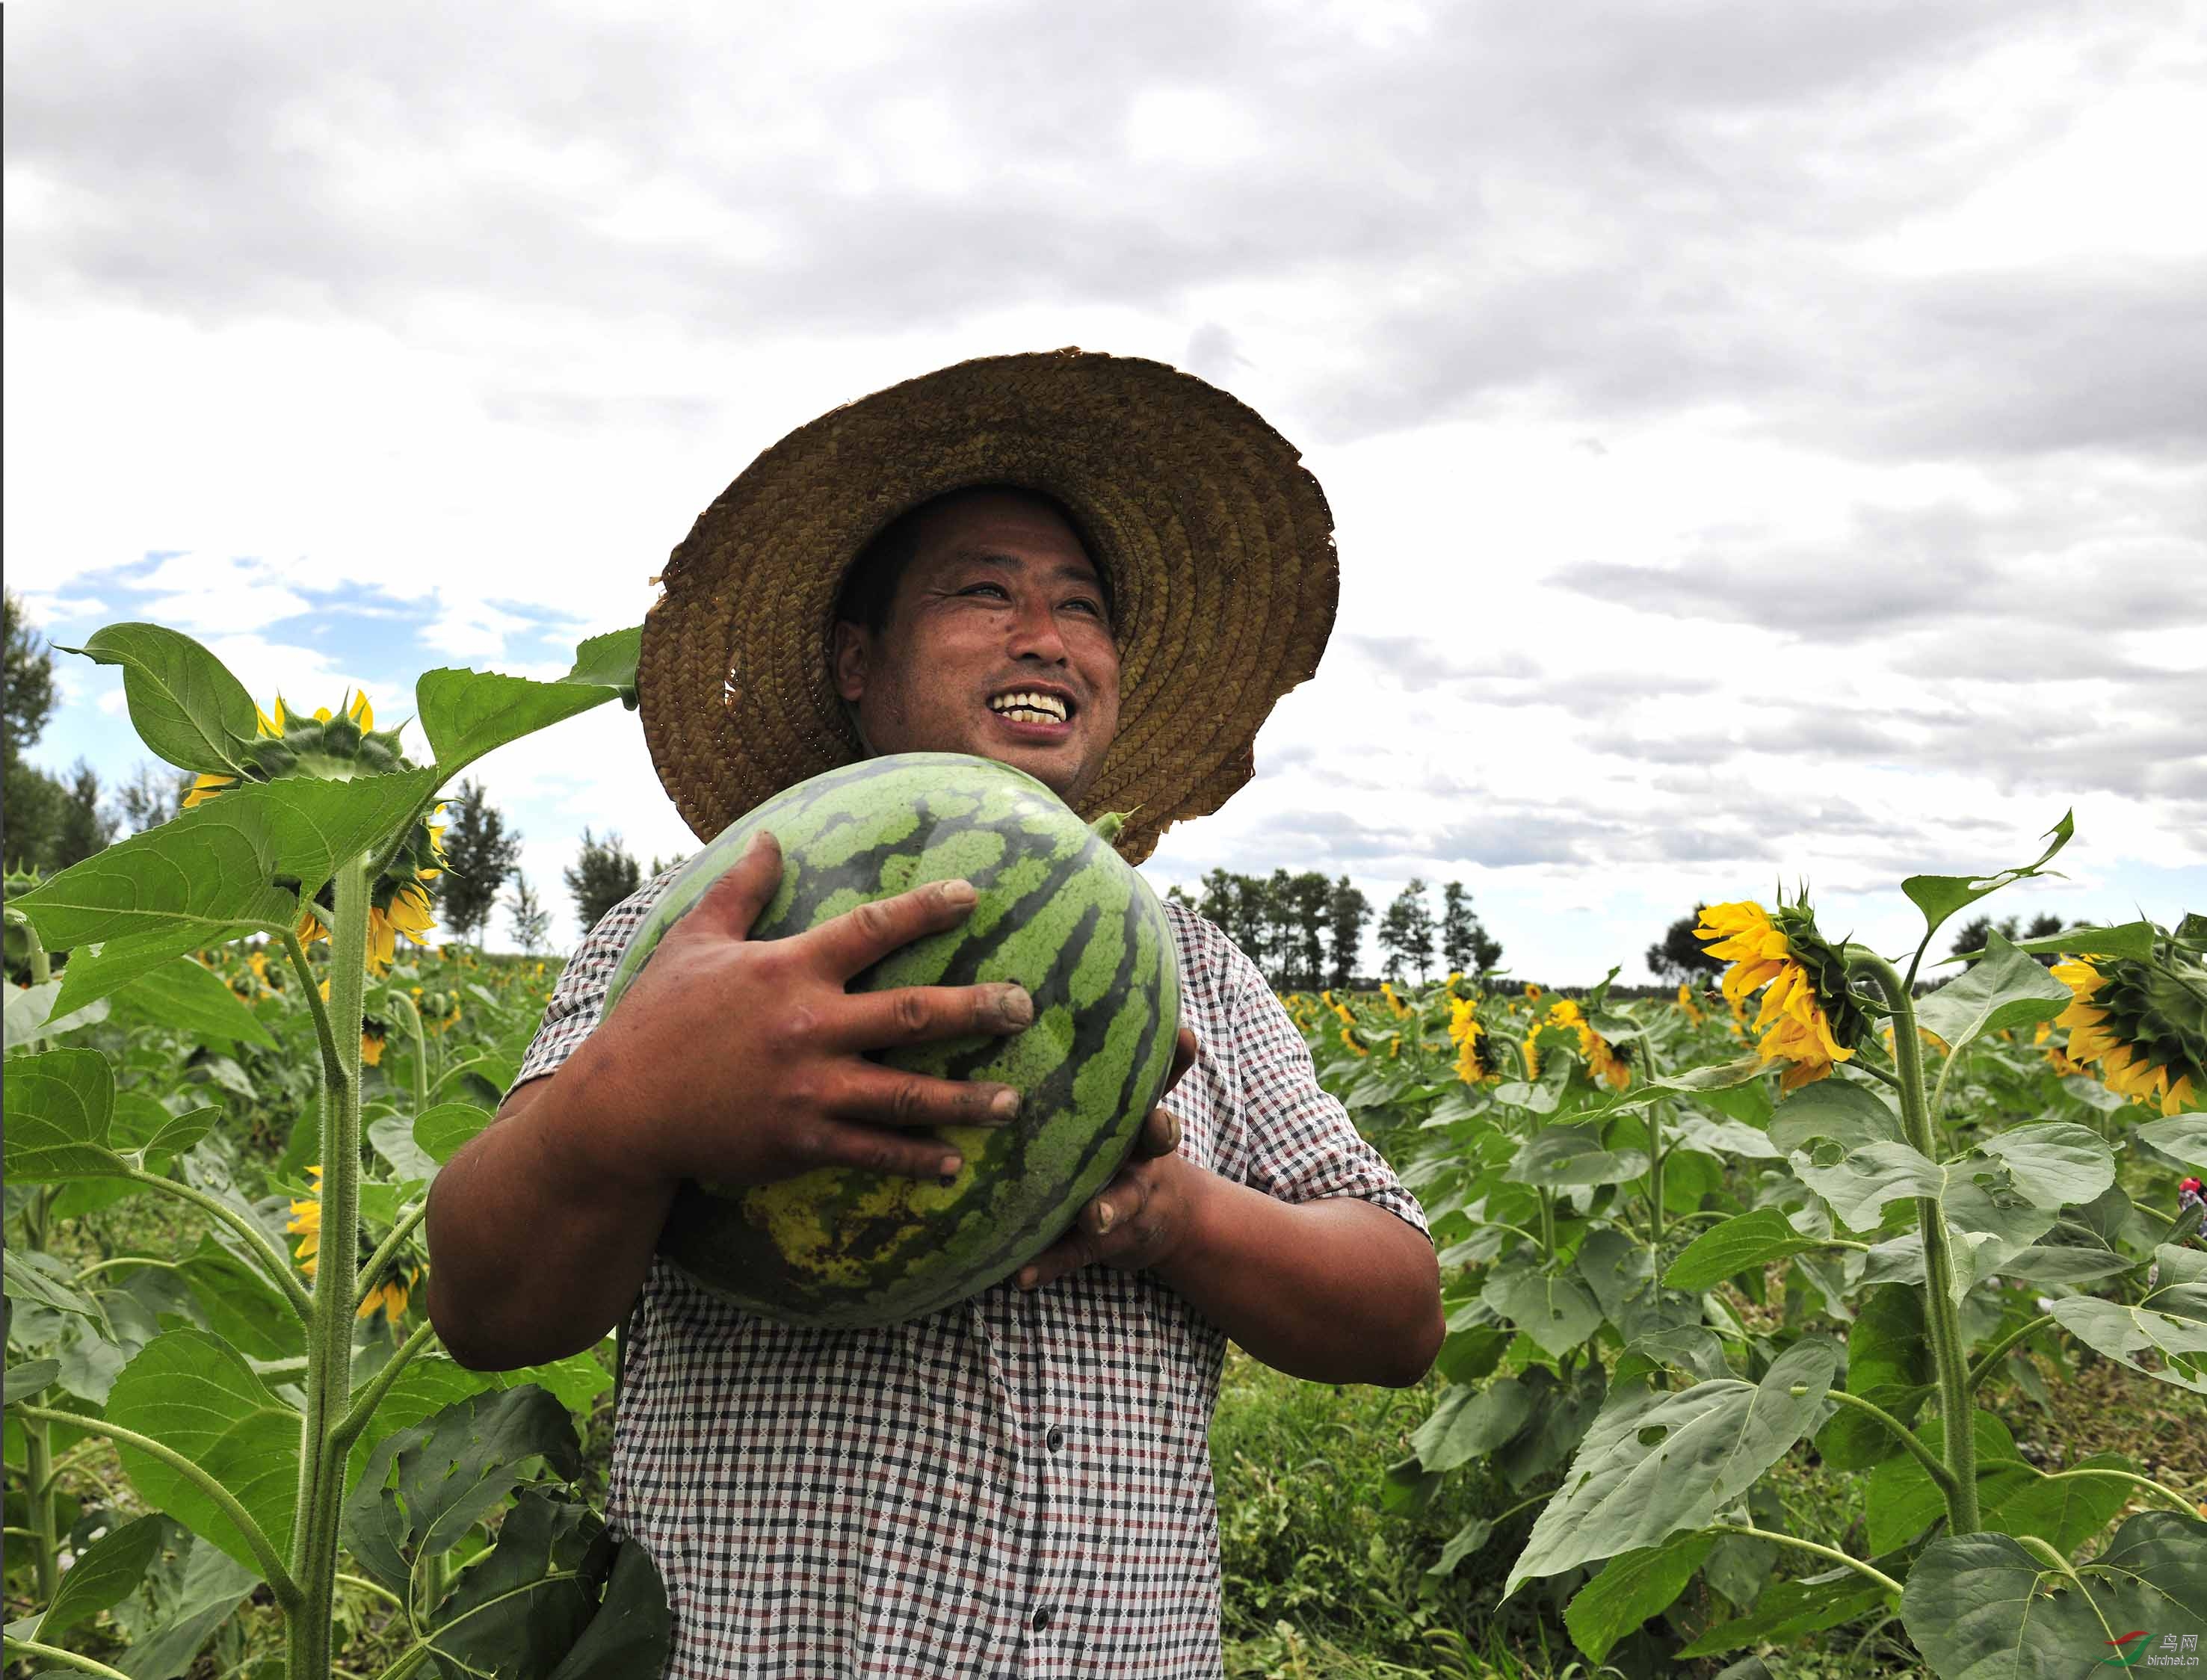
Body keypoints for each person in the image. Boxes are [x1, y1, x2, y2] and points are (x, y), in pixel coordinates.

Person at [425, 349, 1444, 1679]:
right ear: (860, 663)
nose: (1048, 636)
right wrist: (625, 1113)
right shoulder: (711, 924)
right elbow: (489, 1308)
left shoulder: (1195, 965)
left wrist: (1177, 1220)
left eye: (1085, 609)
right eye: (985, 594)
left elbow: (1400, 1312)